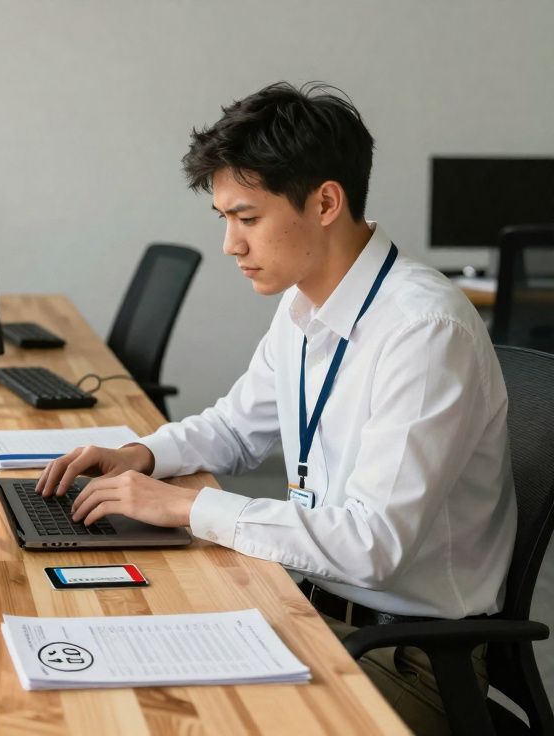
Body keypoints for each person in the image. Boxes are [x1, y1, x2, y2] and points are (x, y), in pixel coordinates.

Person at [36, 82, 515, 734]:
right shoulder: (306, 305)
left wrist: (186, 506)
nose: (231, 245)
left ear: (325, 201)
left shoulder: (424, 332)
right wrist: (142, 455)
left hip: (411, 662)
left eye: (248, 218)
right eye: (224, 220)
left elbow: (373, 546)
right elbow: (236, 426)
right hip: (306, 612)